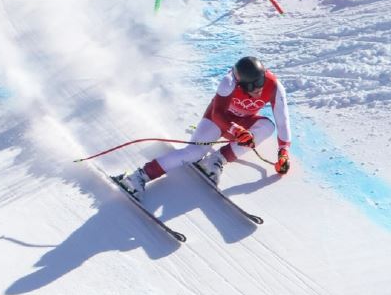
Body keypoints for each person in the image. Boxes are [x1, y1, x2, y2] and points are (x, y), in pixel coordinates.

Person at [118, 56, 292, 199]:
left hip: (244, 122)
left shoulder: (275, 87)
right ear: (240, 84)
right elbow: (217, 114)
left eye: (261, 81)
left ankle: (215, 161)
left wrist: (283, 152)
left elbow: (282, 120)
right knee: (193, 153)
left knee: (267, 126)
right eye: (253, 86)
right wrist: (235, 130)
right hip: (219, 120)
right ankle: (137, 177)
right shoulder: (228, 82)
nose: (259, 89)